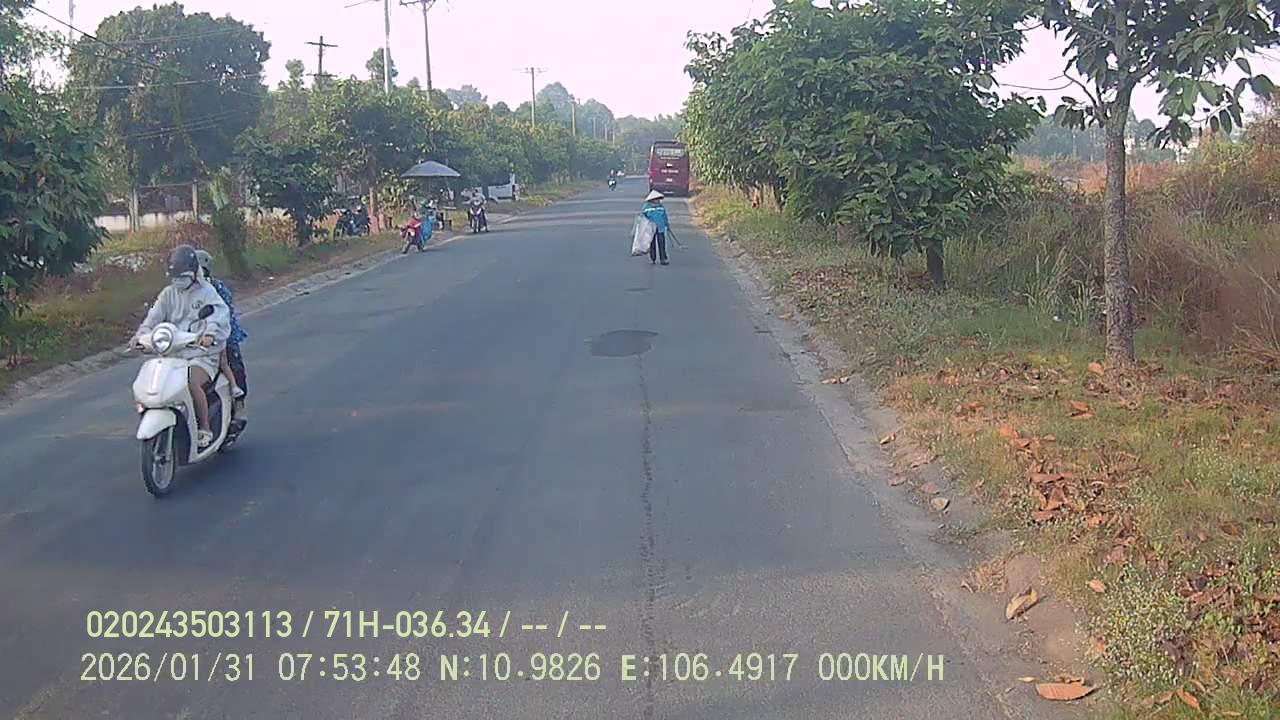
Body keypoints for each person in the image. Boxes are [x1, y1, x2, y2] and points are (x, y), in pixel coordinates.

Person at [133, 245, 229, 450]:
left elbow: (217, 315)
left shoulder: (207, 292)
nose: (178, 280)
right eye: (175, 276)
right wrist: (141, 335)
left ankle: (204, 428)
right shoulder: (168, 294)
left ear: (194, 273)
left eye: (183, 276)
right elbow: (153, 317)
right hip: (172, 353)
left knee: (191, 382)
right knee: (153, 381)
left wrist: (209, 334)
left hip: (201, 354)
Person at [195, 250, 248, 421]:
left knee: (233, 363)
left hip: (221, 334)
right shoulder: (180, 291)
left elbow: (225, 313)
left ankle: (239, 402)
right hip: (192, 336)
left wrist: (216, 333)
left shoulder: (217, 288)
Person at [641, 190, 673, 265]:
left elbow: (664, 216)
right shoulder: (646, 207)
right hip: (650, 228)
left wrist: (667, 224)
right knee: (652, 243)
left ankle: (663, 259)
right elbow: (643, 217)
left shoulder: (661, 207)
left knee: (662, 243)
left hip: (660, 228)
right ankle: (653, 258)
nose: (658, 201)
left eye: (658, 199)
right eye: (656, 199)